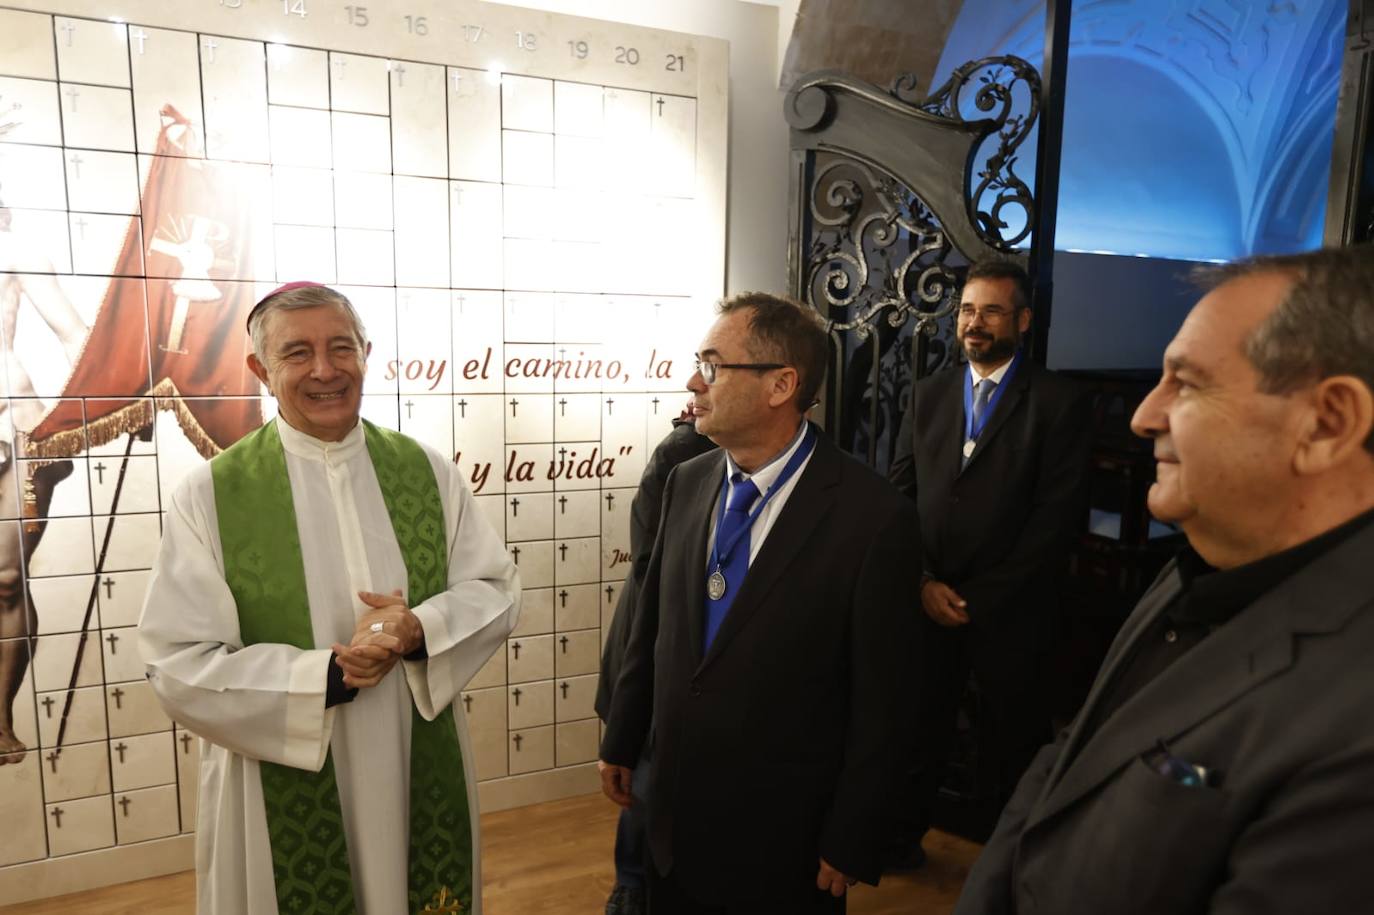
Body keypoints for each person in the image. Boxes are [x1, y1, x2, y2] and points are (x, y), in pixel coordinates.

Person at [955, 244, 1374, 914]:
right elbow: (1065, 766)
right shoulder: (1192, 568)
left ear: (1327, 423)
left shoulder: (1356, 725)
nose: (1143, 415)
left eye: (1187, 382)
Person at [138, 282, 519, 914]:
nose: (325, 369)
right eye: (297, 353)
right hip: (279, 765)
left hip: (410, 756)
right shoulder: (210, 495)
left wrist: (418, 628)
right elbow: (177, 662)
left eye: (341, 347)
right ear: (261, 370)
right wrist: (324, 677)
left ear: (366, 353)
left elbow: (496, 589)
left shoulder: (426, 471)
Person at [599, 292, 918, 914]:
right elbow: (653, 623)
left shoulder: (874, 518)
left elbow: (887, 702)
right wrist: (623, 735)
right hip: (672, 818)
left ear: (781, 385)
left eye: (714, 365)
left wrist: (855, 832)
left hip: (785, 842)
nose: (694, 381)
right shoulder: (687, 482)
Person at [888, 259, 1091, 858]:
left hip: (1013, 614)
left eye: (993, 310)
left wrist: (980, 600)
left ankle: (1010, 866)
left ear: (1023, 320)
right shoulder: (928, 395)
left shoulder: (1059, 402)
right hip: (927, 603)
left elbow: (1057, 521)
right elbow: (899, 496)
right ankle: (901, 843)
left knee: (1011, 743)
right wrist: (922, 581)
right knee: (917, 733)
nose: (976, 323)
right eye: (968, 310)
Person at [596, 405, 715, 915]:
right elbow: (651, 567)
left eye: (711, 370)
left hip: (691, 654)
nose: (696, 385)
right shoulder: (684, 453)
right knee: (645, 775)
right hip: (659, 644)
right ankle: (632, 881)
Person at [0, 190, 90, 764]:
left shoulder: (13, 246)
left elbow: (74, 333)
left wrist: (114, 399)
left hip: (15, 423)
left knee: (6, 578)